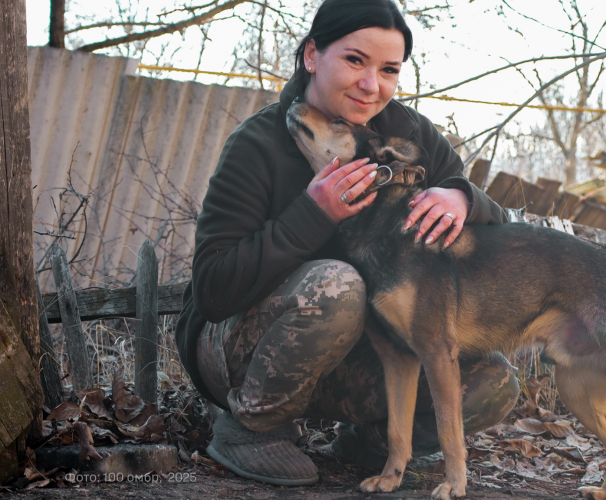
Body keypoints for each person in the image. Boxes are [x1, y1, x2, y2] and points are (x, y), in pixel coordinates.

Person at [174, 0, 520, 486]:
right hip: (239, 350)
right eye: (355, 60)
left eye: (389, 70)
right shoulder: (259, 144)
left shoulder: (411, 136)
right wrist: (313, 215)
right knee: (338, 285)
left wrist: (465, 198)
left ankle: (372, 443)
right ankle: (251, 429)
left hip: (363, 353)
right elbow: (212, 291)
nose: (371, 84)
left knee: (492, 381)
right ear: (313, 54)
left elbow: (494, 240)